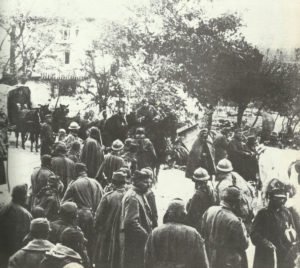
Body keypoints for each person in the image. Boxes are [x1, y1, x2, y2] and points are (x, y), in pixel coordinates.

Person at [145, 199, 209, 268]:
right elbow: (202, 262)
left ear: (167, 214)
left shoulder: (155, 233)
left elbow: (148, 260)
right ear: (184, 214)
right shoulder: (193, 234)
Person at [251, 179, 299, 268]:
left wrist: (293, 247)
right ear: (271, 199)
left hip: (284, 255)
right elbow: (254, 234)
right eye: (278, 199)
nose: (282, 202)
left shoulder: (286, 212)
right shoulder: (263, 214)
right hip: (267, 256)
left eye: (283, 199)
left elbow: (293, 231)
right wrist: (267, 244)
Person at [62, 163, 104, 257]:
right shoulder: (96, 182)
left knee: (80, 243)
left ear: (76, 171)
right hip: (95, 216)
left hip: (81, 217)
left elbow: (64, 202)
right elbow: (103, 200)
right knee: (92, 242)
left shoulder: (74, 183)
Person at [201, 187, 249, 268]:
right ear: (235, 203)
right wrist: (243, 228)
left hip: (211, 258)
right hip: (229, 262)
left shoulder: (210, 210)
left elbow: (203, 232)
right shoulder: (235, 221)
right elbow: (244, 245)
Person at [93, 171, 127, 268]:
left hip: (107, 234)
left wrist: (96, 229)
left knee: (105, 260)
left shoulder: (108, 196)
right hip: (124, 234)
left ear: (113, 182)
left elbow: (98, 217)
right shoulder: (130, 195)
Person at [120, 170, 153, 268]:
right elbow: (131, 222)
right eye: (145, 182)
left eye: (149, 182)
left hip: (137, 241)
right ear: (136, 182)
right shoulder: (133, 197)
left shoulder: (140, 194)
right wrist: (147, 236)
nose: (148, 185)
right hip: (135, 243)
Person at [0, 184, 32, 268]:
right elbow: (27, 237)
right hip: (17, 254)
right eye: (25, 195)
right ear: (22, 197)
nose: (27, 197)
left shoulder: (4, 209)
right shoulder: (25, 214)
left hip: (3, 252)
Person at [215, 158, 254, 225]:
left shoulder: (223, 184)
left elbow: (222, 204)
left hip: (236, 215)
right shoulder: (235, 175)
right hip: (247, 210)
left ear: (218, 171)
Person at [186, 167, 216, 232]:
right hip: (209, 224)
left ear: (196, 182)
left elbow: (191, 216)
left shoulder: (197, 195)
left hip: (199, 227)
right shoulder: (211, 191)